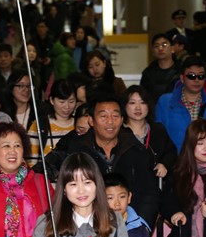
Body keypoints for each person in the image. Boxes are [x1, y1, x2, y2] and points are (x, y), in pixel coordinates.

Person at [46, 94, 160, 226]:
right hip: (87, 226)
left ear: (122, 120)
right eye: (103, 116)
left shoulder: (135, 149)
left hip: (130, 225)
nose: (110, 121)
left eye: (115, 116)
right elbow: (47, 171)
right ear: (91, 121)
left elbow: (150, 192)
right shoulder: (76, 149)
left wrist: (142, 225)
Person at [155, 56, 206, 150]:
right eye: (192, 76)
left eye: (201, 76)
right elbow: (158, 136)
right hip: (174, 157)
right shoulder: (165, 102)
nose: (197, 80)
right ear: (182, 78)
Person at [121, 85, 177, 179]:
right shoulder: (119, 133)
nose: (138, 108)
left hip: (156, 183)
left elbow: (171, 153)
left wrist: (164, 164)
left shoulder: (158, 130)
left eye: (143, 102)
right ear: (124, 106)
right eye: (132, 103)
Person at [1, 70, 46, 169]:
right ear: (11, 87)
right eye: (21, 86)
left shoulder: (39, 112)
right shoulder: (3, 114)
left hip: (34, 166)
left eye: (29, 86)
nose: (26, 90)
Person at [140, 33, 179, 102]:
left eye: (164, 45)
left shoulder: (182, 71)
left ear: (172, 49)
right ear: (153, 51)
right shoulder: (148, 74)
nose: (160, 48)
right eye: (156, 46)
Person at [42, 79, 77, 155]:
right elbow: (32, 160)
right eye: (62, 102)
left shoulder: (79, 124)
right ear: (52, 100)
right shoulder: (41, 124)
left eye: (71, 101)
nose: (67, 106)